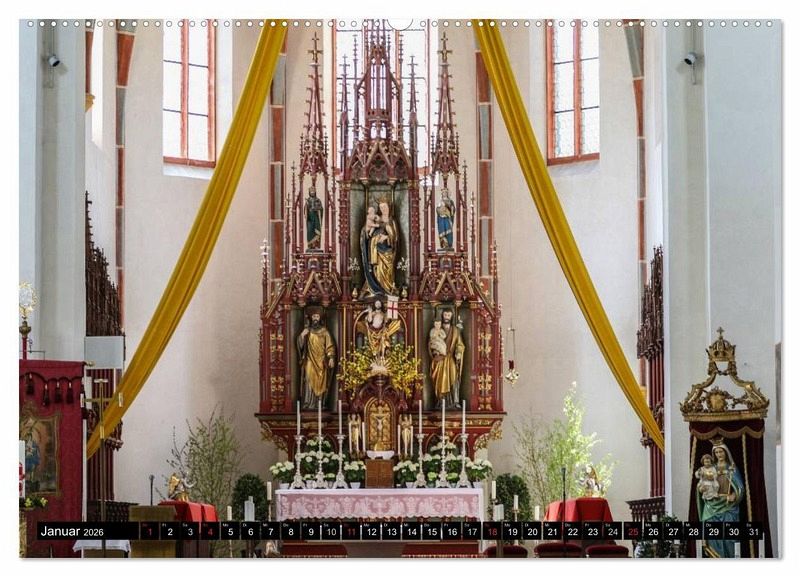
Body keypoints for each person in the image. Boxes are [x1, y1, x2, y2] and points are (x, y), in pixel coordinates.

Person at [696, 442, 744, 557]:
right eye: (716, 452)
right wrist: (701, 488)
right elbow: (702, 483)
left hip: (728, 505)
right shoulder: (710, 468)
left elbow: (740, 487)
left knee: (729, 536)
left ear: (726, 452)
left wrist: (734, 495)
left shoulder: (731, 468)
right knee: (713, 534)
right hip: (712, 504)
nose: (719, 454)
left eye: (721, 451)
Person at [297, 308, 336, 409]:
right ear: (311, 318)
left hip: (321, 361)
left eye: (317, 316)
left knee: (321, 382)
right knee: (308, 380)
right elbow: (300, 345)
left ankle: (319, 403)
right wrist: (302, 335)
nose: (315, 318)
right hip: (310, 359)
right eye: (314, 316)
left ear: (320, 318)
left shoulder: (325, 331)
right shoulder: (307, 331)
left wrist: (331, 357)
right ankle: (308, 403)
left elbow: (330, 346)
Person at [428, 309, 465, 409]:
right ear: (442, 316)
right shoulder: (436, 329)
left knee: (453, 379)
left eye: (449, 315)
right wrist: (435, 351)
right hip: (439, 359)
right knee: (439, 380)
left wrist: (458, 352)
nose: (447, 317)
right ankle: (440, 401)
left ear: (451, 317)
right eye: (445, 315)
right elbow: (431, 343)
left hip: (450, 359)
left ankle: (454, 401)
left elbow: (460, 344)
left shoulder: (456, 331)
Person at [360, 199, 398, 295]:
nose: (383, 209)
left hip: (387, 251)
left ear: (389, 207)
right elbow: (367, 230)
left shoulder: (391, 220)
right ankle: (376, 290)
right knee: (376, 270)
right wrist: (366, 231)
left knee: (387, 270)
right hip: (376, 251)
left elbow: (396, 237)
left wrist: (387, 237)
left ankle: (387, 289)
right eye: (381, 207)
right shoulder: (377, 219)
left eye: (385, 207)